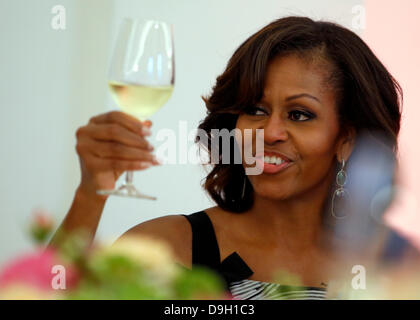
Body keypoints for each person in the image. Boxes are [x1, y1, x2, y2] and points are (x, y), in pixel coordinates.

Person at [50, 16, 403, 299]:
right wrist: (89, 194)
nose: (269, 132)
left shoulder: (393, 265)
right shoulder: (166, 249)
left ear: (346, 139)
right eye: (255, 110)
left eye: (299, 114)